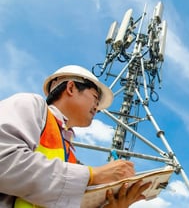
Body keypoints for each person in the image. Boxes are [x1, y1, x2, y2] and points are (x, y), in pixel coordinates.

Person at [0, 65, 150, 207]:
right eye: (95, 98)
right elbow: (4, 162)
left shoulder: (69, 154)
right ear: (71, 88)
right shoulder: (30, 104)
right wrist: (92, 175)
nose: (97, 108)